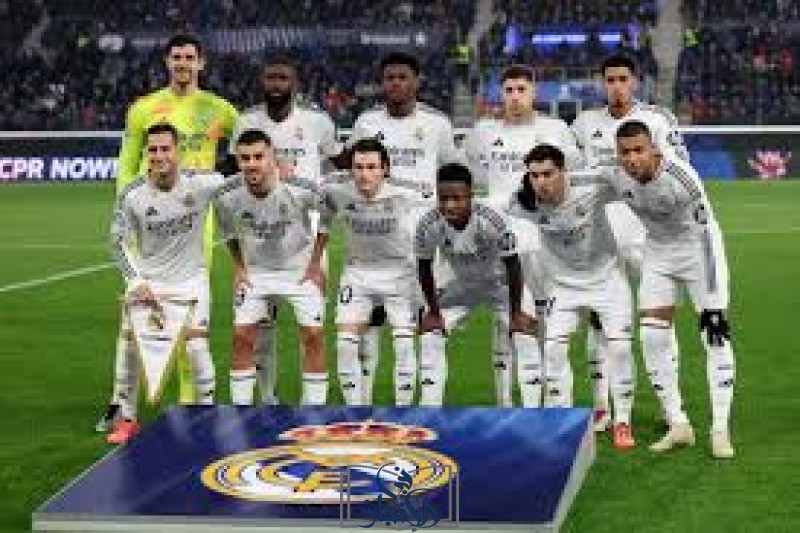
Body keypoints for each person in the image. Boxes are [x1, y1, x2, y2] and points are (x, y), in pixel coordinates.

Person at [97, 34, 239, 431]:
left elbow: (246, 145)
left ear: (201, 63)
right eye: (176, 57)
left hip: (196, 220)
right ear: (167, 61)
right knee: (138, 317)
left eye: (189, 57)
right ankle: (120, 407)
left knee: (190, 323)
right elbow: (127, 163)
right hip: (149, 218)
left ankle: (191, 404)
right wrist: (127, 207)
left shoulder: (219, 109)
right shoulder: (143, 109)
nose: (183, 63)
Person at [571, 52, 688, 431]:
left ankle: (671, 408)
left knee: (659, 324)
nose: (617, 86)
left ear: (635, 81)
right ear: (601, 83)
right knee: (599, 325)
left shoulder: (657, 120)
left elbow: (680, 172)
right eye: (610, 80)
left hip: (649, 239)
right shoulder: (584, 124)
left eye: (623, 79)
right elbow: (575, 181)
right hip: (600, 241)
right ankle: (602, 406)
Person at [613, 120, 735, 459]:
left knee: (714, 334)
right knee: (651, 336)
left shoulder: (682, 179)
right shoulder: (616, 175)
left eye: (639, 150)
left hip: (699, 250)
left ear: (653, 148)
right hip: (658, 253)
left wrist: (713, 294)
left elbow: (706, 235)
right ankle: (679, 424)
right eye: (625, 152)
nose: (632, 158)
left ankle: (720, 428)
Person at [463, 63, 582, 406]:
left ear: (534, 91)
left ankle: (552, 400)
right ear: (501, 93)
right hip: (500, 242)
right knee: (505, 320)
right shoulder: (483, 132)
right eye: (509, 90)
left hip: (545, 240)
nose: (515, 97)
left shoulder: (556, 130)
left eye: (521, 90)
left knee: (548, 321)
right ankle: (505, 403)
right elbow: (473, 177)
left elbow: (571, 176)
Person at [347, 51, 462, 404]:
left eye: (403, 77)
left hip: (424, 240)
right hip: (374, 239)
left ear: (416, 81)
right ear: (382, 83)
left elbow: (452, 174)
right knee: (369, 325)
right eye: (390, 77)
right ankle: (363, 406)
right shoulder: (366, 123)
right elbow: (352, 171)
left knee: (430, 325)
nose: (396, 83)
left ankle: (430, 407)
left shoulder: (437, 124)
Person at [509, 144, 637, 450]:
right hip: (563, 286)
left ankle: (622, 421)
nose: (541, 182)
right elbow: (488, 211)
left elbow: (632, 185)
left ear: (563, 171)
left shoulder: (593, 184)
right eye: (535, 175)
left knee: (620, 349)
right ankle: (562, 419)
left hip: (607, 280)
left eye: (548, 174)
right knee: (553, 349)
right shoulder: (522, 201)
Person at [229, 55, 339, 405]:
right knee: (260, 330)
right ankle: (267, 398)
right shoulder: (246, 121)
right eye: (271, 78)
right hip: (260, 237)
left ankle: (312, 407)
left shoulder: (318, 122)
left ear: (295, 83)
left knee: (312, 329)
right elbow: (233, 171)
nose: (276, 84)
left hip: (306, 236)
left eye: (283, 78)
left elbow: (336, 162)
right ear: (262, 82)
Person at [107, 123, 225, 444]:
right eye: (153, 150)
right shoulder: (132, 194)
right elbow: (116, 242)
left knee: (197, 348)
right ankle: (126, 420)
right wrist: (136, 282)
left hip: (191, 280)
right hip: (149, 281)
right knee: (128, 347)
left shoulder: (202, 183)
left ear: (178, 151)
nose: (159, 156)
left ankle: (207, 416)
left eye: (165, 149)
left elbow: (242, 181)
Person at [214, 130, 327, 406]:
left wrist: (316, 263)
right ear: (238, 161)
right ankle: (243, 411)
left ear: (272, 157)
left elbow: (329, 212)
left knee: (313, 335)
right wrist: (238, 267)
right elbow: (228, 231)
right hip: (256, 272)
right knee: (242, 336)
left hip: (299, 270)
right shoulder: (226, 194)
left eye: (258, 157)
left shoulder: (299, 187)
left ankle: (314, 409)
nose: (252, 164)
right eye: (245, 158)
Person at [304, 138, 419, 406]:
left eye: (371, 167)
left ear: (384, 169)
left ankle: (402, 410)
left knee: (403, 344)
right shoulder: (336, 191)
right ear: (350, 169)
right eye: (358, 167)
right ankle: (355, 410)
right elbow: (324, 222)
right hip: (357, 273)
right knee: (345, 344)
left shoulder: (409, 193)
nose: (364, 174)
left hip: (400, 274)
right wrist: (314, 264)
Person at [415, 163, 538, 407]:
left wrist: (516, 313)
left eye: (457, 198)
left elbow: (513, 265)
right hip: (458, 284)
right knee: (430, 336)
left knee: (525, 336)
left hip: (500, 283)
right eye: (443, 198)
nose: (449, 205)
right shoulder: (428, 223)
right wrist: (434, 313)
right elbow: (424, 267)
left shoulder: (492, 219)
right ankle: (430, 412)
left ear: (471, 196)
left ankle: (531, 413)